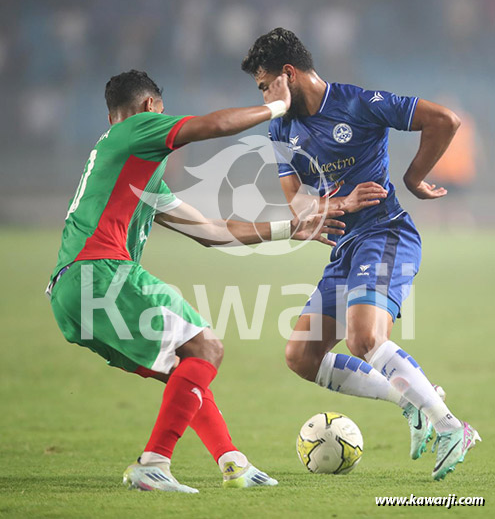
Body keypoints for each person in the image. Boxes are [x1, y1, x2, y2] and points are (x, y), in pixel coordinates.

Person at [47, 69, 346, 493]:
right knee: (207, 347)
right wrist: (278, 106)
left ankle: (232, 462)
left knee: (185, 367)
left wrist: (289, 228)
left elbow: (210, 231)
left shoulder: (134, 172)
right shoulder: (138, 129)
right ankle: (153, 463)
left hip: (69, 293)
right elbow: (214, 125)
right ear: (151, 108)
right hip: (100, 273)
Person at [241, 28, 480, 481]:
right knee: (301, 357)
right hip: (345, 246)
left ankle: (451, 426)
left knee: (363, 340)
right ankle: (408, 399)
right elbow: (296, 203)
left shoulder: (357, 103)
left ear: (288, 75)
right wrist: (337, 207)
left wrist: (412, 179)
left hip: (385, 233)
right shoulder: (280, 128)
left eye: (266, 84)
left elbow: (444, 120)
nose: (265, 96)